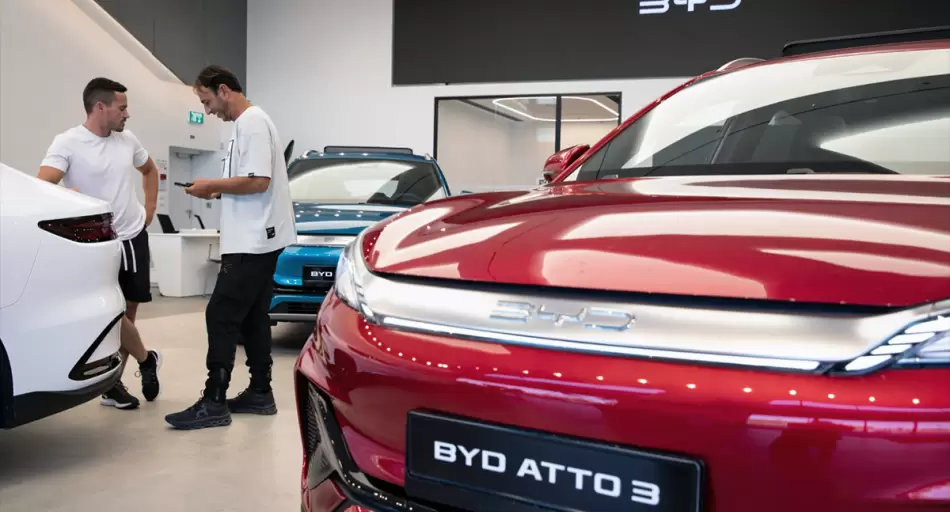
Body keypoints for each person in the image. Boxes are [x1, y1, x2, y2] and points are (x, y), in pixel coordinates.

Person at [164, 65, 296, 430]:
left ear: (223, 90)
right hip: (253, 237)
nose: (207, 111)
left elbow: (258, 182)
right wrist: (217, 191)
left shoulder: (253, 122)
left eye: (207, 101)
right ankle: (260, 391)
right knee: (253, 316)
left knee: (220, 314)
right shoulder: (243, 125)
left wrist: (211, 185)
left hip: (254, 240)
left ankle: (214, 400)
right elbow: (249, 183)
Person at [37, 77, 163, 409]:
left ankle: (114, 383)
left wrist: (150, 210)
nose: (127, 114)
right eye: (122, 108)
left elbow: (150, 171)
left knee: (128, 312)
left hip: (132, 235)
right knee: (110, 313)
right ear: (100, 107)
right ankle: (146, 359)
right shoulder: (68, 142)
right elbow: (43, 184)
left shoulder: (128, 140)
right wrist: (67, 195)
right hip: (97, 243)